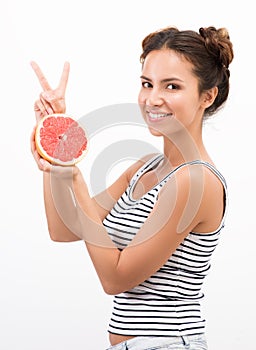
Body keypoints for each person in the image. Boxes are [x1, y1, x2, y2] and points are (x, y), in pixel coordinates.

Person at [30, 25, 234, 350]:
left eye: (172, 86)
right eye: (147, 84)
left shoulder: (196, 181)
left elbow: (116, 277)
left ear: (206, 96)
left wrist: (77, 181)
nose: (153, 99)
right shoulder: (144, 168)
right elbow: (64, 228)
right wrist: (53, 146)